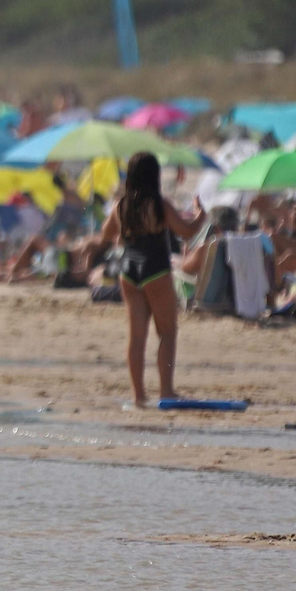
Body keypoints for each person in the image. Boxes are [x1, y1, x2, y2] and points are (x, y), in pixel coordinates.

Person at [99, 152, 204, 407]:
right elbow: (188, 232)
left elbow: (105, 235)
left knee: (137, 337)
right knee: (167, 333)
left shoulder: (121, 205)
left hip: (128, 271)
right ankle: (166, 391)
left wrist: (122, 234)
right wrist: (201, 215)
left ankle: (138, 395)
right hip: (155, 269)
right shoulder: (160, 204)